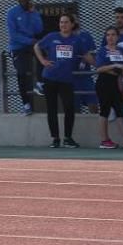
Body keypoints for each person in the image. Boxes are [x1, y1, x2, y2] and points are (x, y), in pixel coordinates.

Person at [35, 12, 90, 148]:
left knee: (69, 107)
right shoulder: (52, 37)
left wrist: (100, 64)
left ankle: (68, 138)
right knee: (51, 109)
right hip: (50, 77)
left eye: (66, 22)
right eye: (61, 22)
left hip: (67, 80)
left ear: (72, 24)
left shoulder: (77, 40)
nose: (63, 25)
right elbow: (37, 46)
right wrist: (43, 60)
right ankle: (55, 139)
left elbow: (87, 55)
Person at [7, 0, 44, 116]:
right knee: (22, 72)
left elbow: (39, 29)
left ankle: (40, 83)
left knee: (42, 53)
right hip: (18, 47)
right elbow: (13, 35)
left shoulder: (33, 12)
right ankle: (26, 104)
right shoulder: (12, 13)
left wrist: (33, 13)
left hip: (32, 44)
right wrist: (30, 41)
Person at [94, 26, 123, 148]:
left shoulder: (122, 51)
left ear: (117, 37)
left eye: (113, 35)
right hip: (105, 82)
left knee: (120, 109)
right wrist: (113, 66)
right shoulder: (102, 51)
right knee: (104, 110)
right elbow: (99, 68)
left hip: (118, 82)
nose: (110, 37)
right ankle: (105, 140)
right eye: (108, 35)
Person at [72, 17, 98, 114]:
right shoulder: (65, 37)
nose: (74, 21)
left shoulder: (86, 35)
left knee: (93, 102)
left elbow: (91, 52)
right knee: (73, 107)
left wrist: (85, 58)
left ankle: (96, 125)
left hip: (86, 76)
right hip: (71, 77)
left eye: (75, 19)